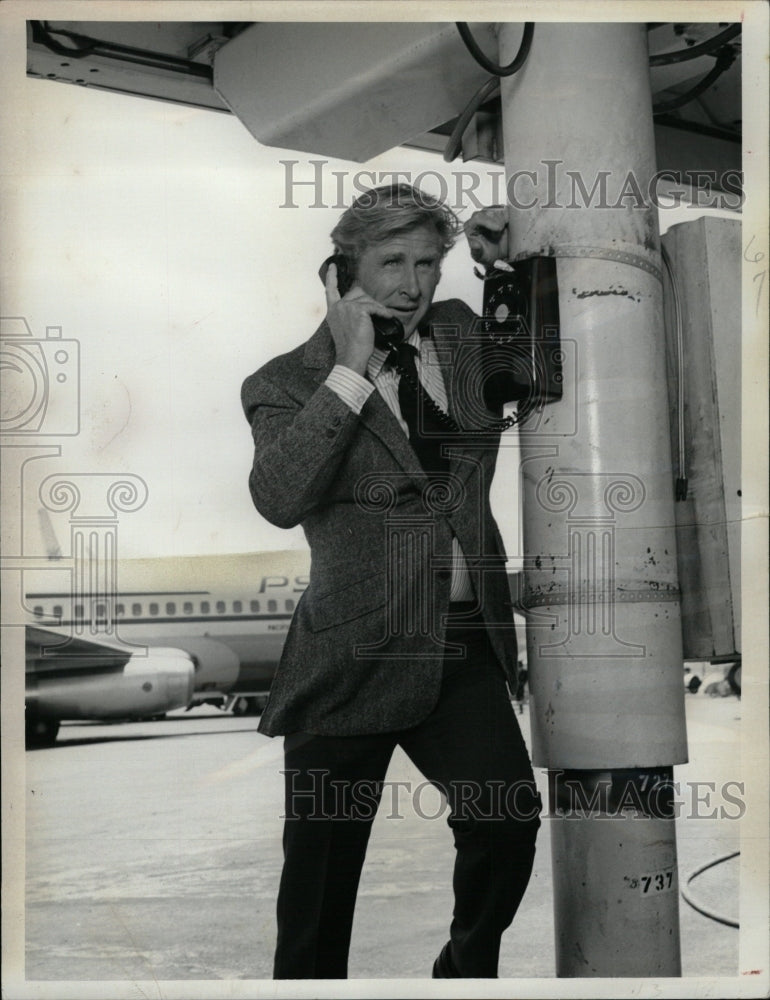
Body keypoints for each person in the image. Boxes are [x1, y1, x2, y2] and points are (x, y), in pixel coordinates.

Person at [241, 183, 541, 979]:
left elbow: (540, 369)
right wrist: (349, 367)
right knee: (318, 892)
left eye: (428, 263)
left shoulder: (456, 333)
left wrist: (503, 267)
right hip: (350, 658)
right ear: (344, 273)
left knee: (507, 822)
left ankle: (463, 973)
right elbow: (278, 498)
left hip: (461, 648)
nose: (412, 285)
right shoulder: (283, 382)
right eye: (391, 263)